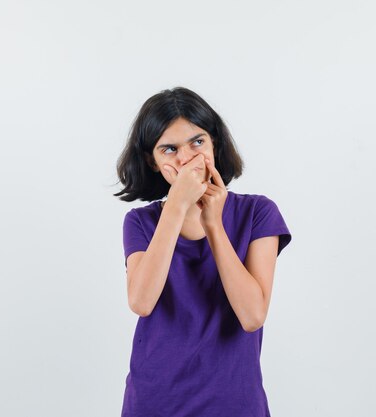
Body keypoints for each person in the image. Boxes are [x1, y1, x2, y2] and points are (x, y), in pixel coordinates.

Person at [114, 86, 292, 417]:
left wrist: (214, 224)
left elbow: (252, 316)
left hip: (234, 401)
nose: (186, 158)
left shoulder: (257, 213)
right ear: (153, 162)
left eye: (197, 142)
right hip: (156, 401)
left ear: (214, 144)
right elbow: (141, 300)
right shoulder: (140, 222)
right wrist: (177, 207)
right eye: (169, 149)